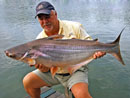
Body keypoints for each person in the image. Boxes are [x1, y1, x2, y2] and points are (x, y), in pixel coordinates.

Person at [23, 1, 106, 98]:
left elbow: (91, 44)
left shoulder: (75, 27)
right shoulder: (39, 39)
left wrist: (98, 51)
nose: (45, 22)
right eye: (41, 18)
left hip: (76, 70)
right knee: (28, 81)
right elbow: (46, 69)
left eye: (47, 17)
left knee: (82, 95)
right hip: (55, 73)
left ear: (55, 14)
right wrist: (42, 67)